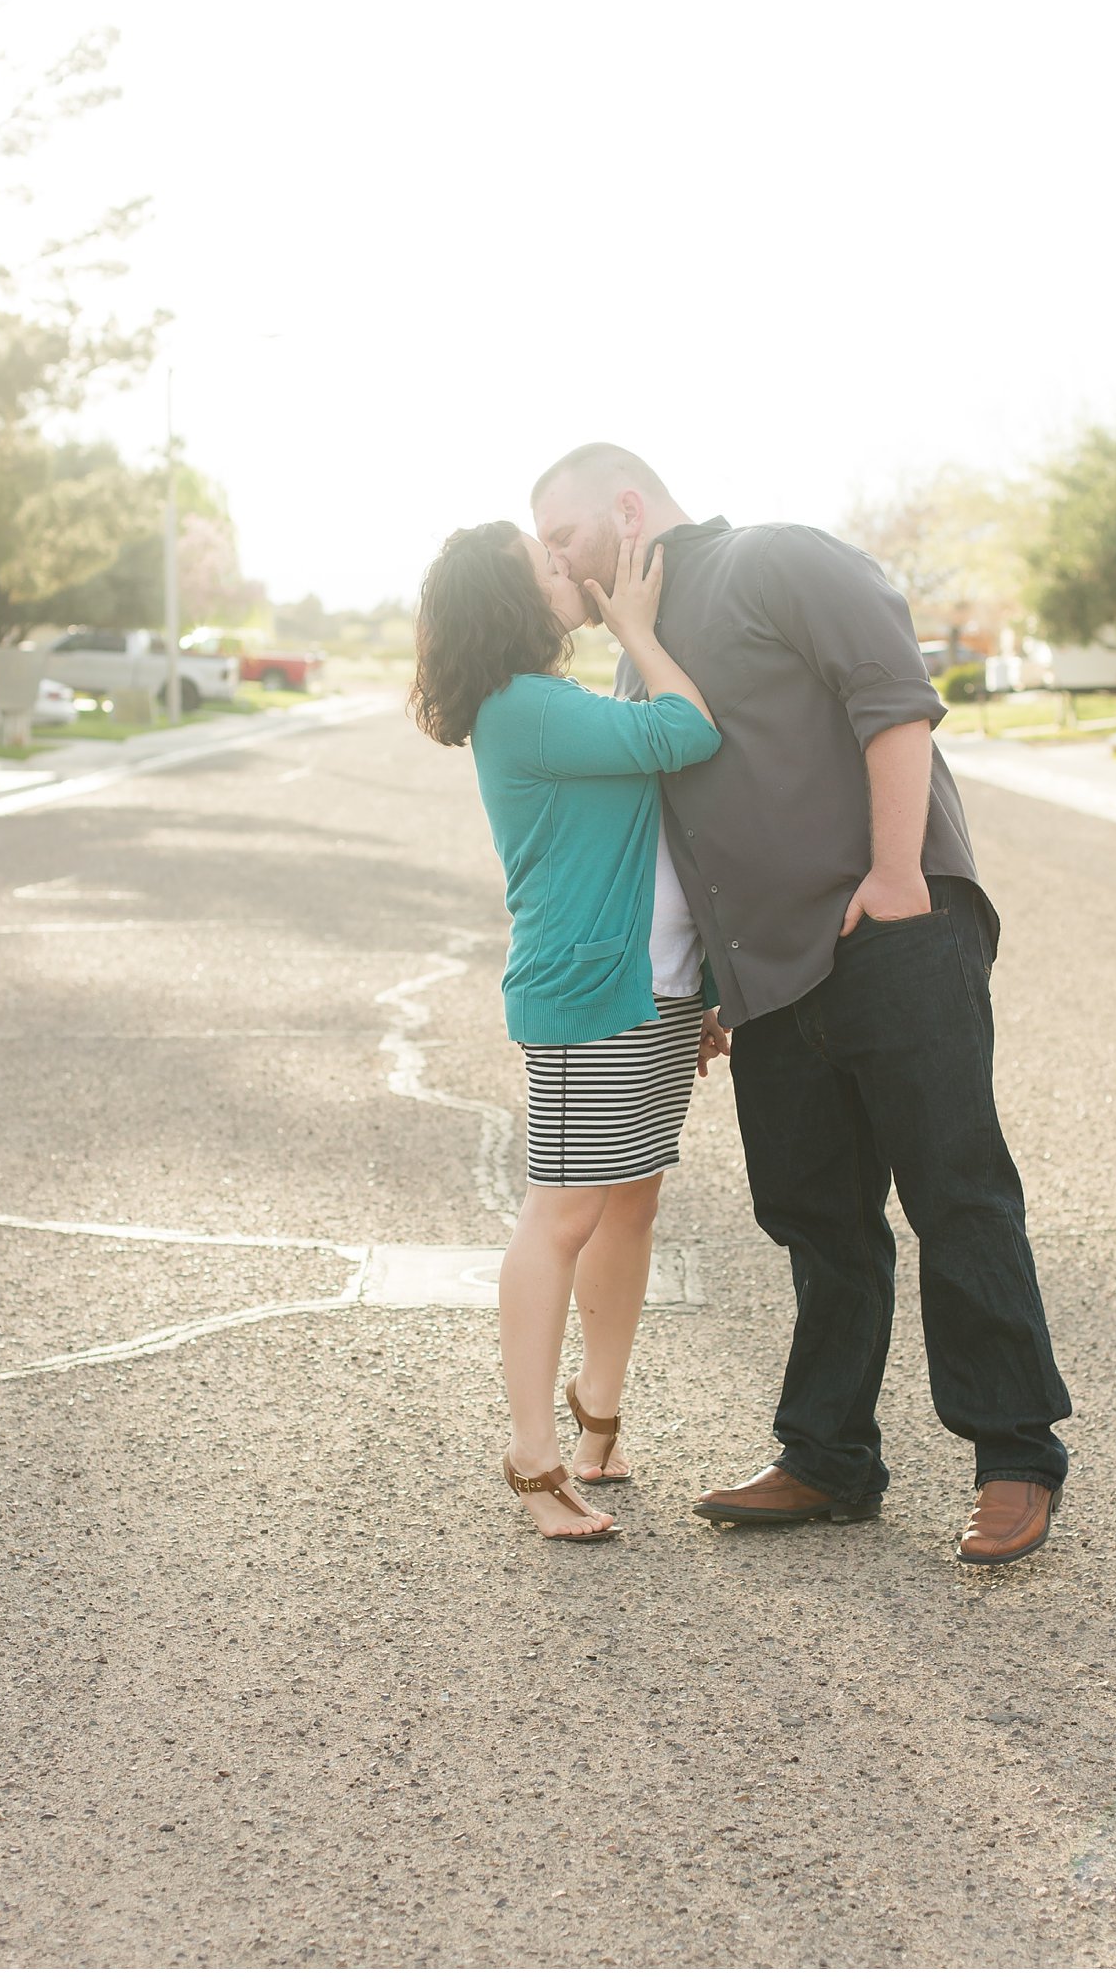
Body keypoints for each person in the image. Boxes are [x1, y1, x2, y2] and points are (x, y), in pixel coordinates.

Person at [532, 444, 1072, 1568]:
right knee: (816, 1217)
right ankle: (828, 1455)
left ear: (626, 509)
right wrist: (717, 985)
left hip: (894, 932)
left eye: (563, 535)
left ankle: (1015, 1456)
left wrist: (893, 879)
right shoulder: (637, 662)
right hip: (769, 978)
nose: (555, 561)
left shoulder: (781, 560)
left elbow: (896, 706)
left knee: (956, 1190)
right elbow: (684, 833)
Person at [410, 520, 726, 1541]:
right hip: (591, 998)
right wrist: (637, 624)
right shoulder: (522, 709)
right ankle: (532, 1455)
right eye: (546, 565)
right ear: (511, 602)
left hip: (655, 990)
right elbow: (688, 732)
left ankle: (598, 1417)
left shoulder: (549, 703)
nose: (570, 568)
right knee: (564, 1215)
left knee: (629, 1204)